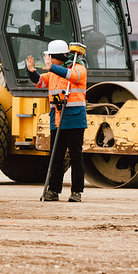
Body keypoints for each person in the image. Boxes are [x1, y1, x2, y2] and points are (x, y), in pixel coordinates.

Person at [26, 40, 87, 202]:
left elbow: (72, 76)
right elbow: (39, 82)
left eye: (50, 56)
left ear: (57, 57)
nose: (48, 59)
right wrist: (31, 71)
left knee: (76, 156)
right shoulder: (53, 73)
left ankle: (76, 192)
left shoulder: (79, 69)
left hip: (75, 120)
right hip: (57, 120)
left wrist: (52, 67)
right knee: (56, 156)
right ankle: (53, 190)